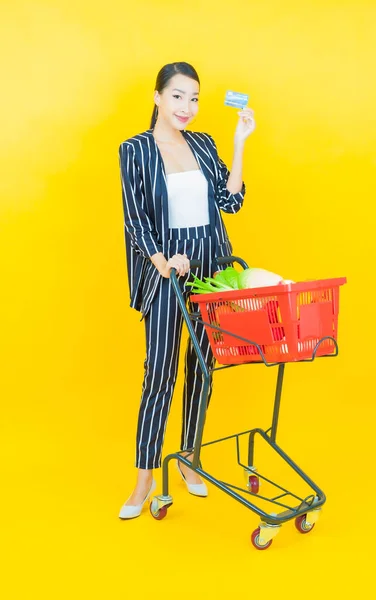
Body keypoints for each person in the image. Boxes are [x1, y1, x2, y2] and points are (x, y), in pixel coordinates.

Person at [118, 62, 255, 519]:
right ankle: (144, 478)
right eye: (177, 96)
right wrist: (163, 262)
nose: (187, 107)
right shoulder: (134, 150)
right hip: (167, 275)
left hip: (212, 269)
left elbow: (229, 201)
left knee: (203, 366)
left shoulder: (204, 143)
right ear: (157, 97)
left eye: (194, 99)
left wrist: (238, 144)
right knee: (159, 374)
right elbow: (135, 219)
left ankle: (190, 460)